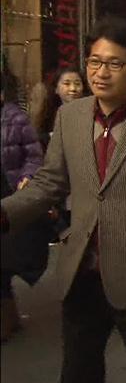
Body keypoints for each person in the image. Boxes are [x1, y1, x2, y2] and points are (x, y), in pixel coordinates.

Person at [0, 16, 126, 383]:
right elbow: (51, 181)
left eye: (114, 64)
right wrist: (5, 212)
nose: (101, 73)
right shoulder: (70, 116)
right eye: (94, 62)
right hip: (81, 270)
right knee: (78, 378)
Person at [0, 73, 48, 342]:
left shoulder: (15, 119)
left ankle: (6, 319)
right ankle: (10, 315)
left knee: (3, 262)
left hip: (9, 197)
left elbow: (33, 156)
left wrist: (25, 178)